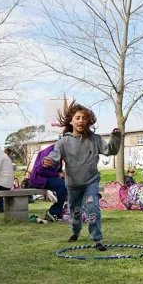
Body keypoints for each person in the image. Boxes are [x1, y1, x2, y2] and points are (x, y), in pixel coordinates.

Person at [43, 102, 122, 250]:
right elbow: (55, 156)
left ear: (88, 121)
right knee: (76, 212)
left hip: (91, 181)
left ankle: (97, 239)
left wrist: (116, 137)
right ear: (71, 121)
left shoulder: (95, 139)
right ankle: (75, 231)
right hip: (73, 184)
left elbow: (110, 151)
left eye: (84, 118)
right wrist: (48, 160)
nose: (81, 120)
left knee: (93, 207)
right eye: (77, 117)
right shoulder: (63, 142)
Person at [30, 143, 67, 222]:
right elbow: (40, 171)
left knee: (69, 183)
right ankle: (54, 212)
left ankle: (66, 210)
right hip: (39, 179)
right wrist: (57, 174)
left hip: (50, 178)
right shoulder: (48, 152)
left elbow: (56, 169)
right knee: (63, 184)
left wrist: (62, 173)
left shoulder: (60, 152)